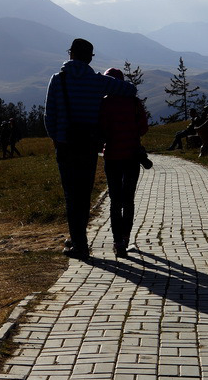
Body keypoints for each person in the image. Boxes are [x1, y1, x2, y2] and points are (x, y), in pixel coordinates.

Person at [45, 38, 136, 259]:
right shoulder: (97, 81)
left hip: (65, 145)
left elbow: (49, 116)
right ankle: (79, 240)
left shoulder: (58, 80)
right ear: (89, 58)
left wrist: (57, 139)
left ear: (70, 54)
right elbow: (130, 90)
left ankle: (79, 243)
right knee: (84, 194)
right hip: (88, 145)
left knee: (71, 194)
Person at [100, 68, 149, 257]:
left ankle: (117, 241)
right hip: (131, 157)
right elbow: (143, 128)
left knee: (115, 200)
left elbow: (101, 130)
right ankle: (126, 237)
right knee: (128, 199)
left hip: (112, 157)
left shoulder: (104, 103)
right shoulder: (135, 102)